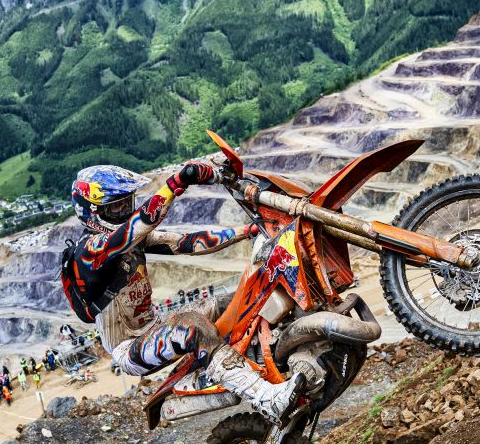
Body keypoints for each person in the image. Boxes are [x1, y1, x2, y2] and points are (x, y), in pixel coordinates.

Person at [63, 162, 303, 423]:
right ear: (93, 212)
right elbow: (141, 223)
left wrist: (248, 231)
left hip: (155, 327)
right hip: (129, 349)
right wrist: (176, 184)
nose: (124, 210)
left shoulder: (127, 239)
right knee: (193, 326)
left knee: (234, 299)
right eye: (116, 206)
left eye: (126, 203)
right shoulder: (90, 251)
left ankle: (282, 352)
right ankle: (267, 398)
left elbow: (186, 243)